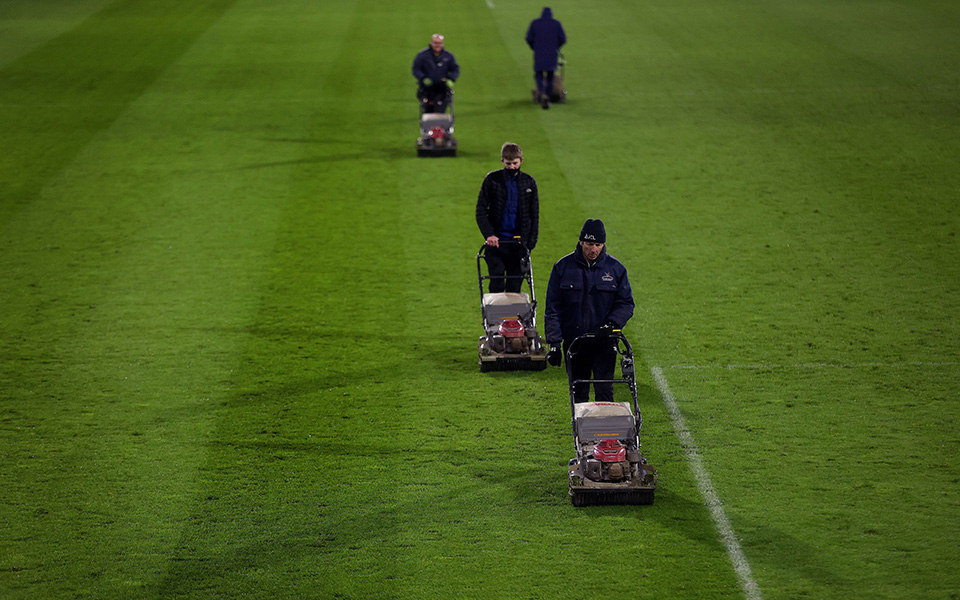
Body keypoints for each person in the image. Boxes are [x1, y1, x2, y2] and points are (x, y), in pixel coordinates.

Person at [544, 219, 635, 403]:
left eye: (598, 245)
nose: (593, 250)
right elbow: (553, 308)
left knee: (605, 392)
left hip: (604, 342)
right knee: (579, 394)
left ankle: (606, 432)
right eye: (589, 244)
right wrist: (554, 343)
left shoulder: (616, 270)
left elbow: (626, 303)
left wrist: (611, 324)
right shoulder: (562, 268)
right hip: (575, 343)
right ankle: (580, 432)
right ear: (580, 242)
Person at [476, 143, 540, 294]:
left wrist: (530, 243)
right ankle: (496, 318)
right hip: (496, 244)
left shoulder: (529, 183)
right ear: (502, 161)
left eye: (515, 163)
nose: (511, 167)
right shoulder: (492, 180)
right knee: (496, 282)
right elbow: (480, 210)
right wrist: (489, 234)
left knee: (515, 286)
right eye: (508, 163)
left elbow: (534, 215)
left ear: (521, 161)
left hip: (519, 245)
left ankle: (512, 318)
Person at [525, 7, 566, 110]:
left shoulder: (535, 23)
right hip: (552, 54)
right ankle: (548, 96)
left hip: (539, 53)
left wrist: (534, 47)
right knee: (550, 75)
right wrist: (556, 46)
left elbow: (528, 38)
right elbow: (563, 39)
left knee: (538, 75)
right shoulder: (556, 24)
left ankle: (542, 93)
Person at [412, 34, 460, 113]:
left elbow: (455, 68)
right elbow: (416, 69)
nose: (437, 45)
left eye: (439, 43)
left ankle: (438, 125)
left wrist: (452, 79)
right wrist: (423, 78)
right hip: (427, 88)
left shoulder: (448, 56)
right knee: (428, 112)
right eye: (435, 43)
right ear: (431, 43)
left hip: (442, 89)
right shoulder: (423, 56)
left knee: (439, 112)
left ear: (443, 44)